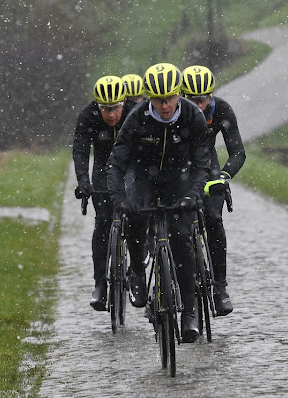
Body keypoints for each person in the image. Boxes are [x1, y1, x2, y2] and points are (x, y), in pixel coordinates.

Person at [107, 63, 210, 343]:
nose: (165, 106)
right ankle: (138, 272)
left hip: (180, 178)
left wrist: (194, 193)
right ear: (149, 98)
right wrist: (118, 198)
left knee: (181, 240)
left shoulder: (191, 116)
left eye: (170, 99)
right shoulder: (137, 118)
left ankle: (189, 311)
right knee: (136, 217)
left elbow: (203, 163)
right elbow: (117, 163)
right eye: (158, 100)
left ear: (179, 95)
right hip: (143, 176)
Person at [181, 65, 246, 316]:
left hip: (208, 168)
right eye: (191, 100)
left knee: (214, 220)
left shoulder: (222, 109)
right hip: (180, 170)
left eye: (203, 100)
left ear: (211, 95)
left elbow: (238, 151)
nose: (198, 106)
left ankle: (220, 287)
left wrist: (225, 176)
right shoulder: (175, 113)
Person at [72, 75, 137, 311]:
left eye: (116, 108)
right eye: (105, 109)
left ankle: (136, 271)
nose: (111, 115)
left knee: (136, 219)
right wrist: (83, 181)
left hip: (130, 168)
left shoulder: (134, 112)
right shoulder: (88, 115)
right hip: (102, 168)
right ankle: (100, 283)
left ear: (124, 103)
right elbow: (80, 151)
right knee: (102, 222)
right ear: (97, 105)